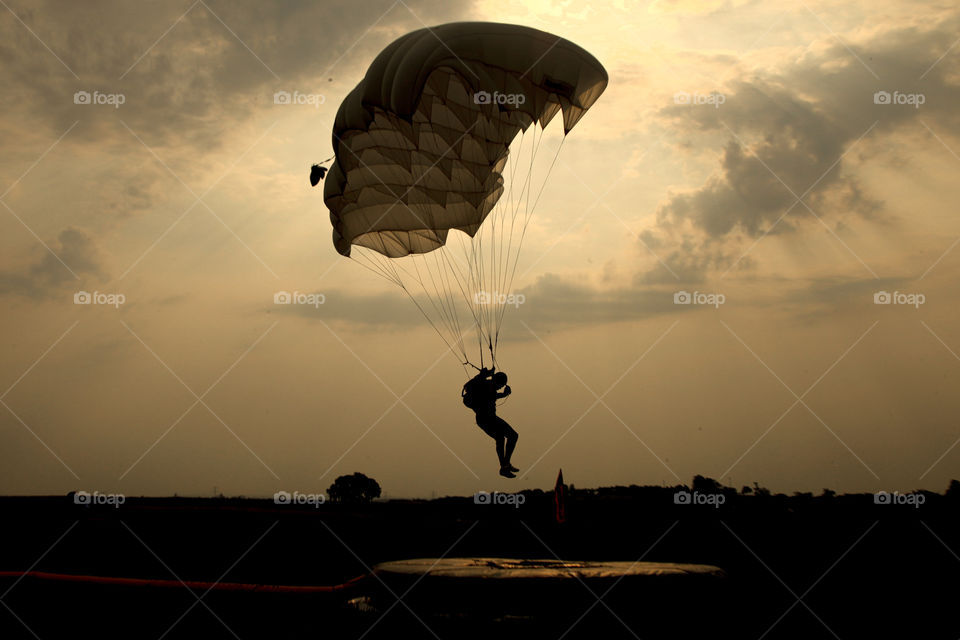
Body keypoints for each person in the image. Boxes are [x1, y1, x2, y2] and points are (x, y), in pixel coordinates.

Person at [463, 367, 519, 478]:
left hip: (490, 418)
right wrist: (482, 375)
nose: (500, 388)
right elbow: (484, 394)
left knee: (510, 436)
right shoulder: (484, 385)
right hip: (485, 419)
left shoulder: (489, 386)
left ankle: (505, 465)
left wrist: (485, 375)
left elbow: (491, 395)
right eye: (501, 386)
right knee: (505, 437)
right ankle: (504, 466)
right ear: (498, 382)